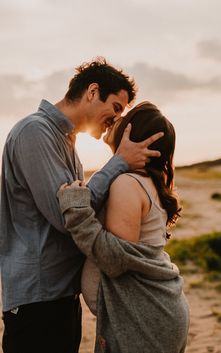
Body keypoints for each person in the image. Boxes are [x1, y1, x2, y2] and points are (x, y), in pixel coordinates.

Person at [0, 59, 163, 353]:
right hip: (38, 301)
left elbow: (81, 206)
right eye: (115, 107)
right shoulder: (34, 132)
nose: (116, 119)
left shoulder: (67, 142)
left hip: (61, 297)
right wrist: (119, 163)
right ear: (92, 91)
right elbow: (66, 215)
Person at [58, 102, 190, 353]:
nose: (117, 117)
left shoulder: (127, 183)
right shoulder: (142, 181)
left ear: (133, 132)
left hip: (146, 318)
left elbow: (114, 257)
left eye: (125, 115)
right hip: (152, 312)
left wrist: (75, 211)